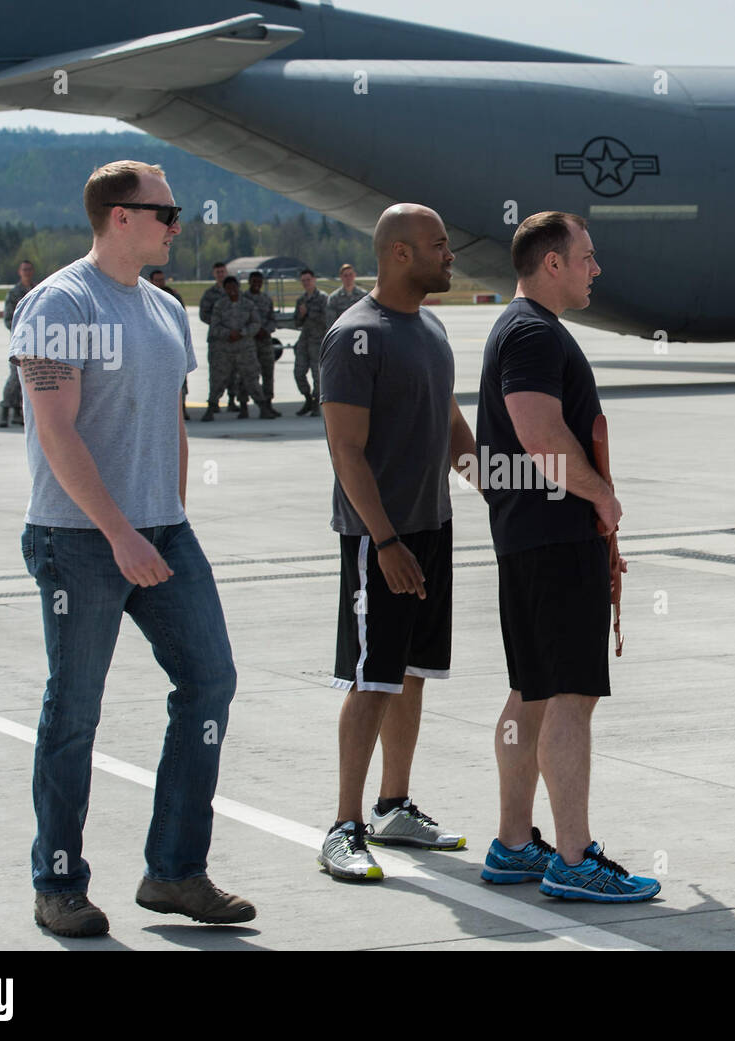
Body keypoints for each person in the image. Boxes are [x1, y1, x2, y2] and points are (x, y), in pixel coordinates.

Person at [10, 159, 254, 937]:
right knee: (76, 708)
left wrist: (166, 517)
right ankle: (58, 882)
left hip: (162, 533)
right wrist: (118, 531)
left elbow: (173, 423)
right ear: (120, 215)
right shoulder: (59, 304)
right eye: (165, 211)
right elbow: (55, 431)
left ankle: (175, 872)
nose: (177, 226)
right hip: (78, 539)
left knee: (209, 682)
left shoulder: (162, 308)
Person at [476, 211, 660, 903]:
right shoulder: (532, 332)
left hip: (529, 539)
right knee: (571, 700)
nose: (596, 267)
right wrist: (601, 495)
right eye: (586, 256)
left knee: (534, 691)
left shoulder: (519, 327)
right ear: (552, 263)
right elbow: (538, 431)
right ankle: (574, 857)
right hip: (555, 541)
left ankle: (515, 843)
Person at [316, 203, 476, 881]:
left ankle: (393, 806)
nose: (450, 257)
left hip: (430, 526)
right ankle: (343, 826)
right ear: (401, 253)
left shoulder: (432, 327)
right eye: (440, 246)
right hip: (376, 538)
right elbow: (345, 452)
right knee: (371, 676)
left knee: (411, 672)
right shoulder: (355, 336)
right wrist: (383, 541)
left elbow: (452, 429)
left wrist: (512, 492)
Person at [204, 276, 279, 420]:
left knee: (251, 378)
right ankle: (211, 407)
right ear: (225, 289)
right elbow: (214, 326)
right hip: (224, 349)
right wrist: (228, 333)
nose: (232, 290)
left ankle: (263, 407)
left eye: (234, 287)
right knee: (218, 379)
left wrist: (242, 333)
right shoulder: (219, 305)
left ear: (238, 287)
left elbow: (255, 323)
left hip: (245, 348)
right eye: (228, 288)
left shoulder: (248, 305)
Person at [150, 269, 190, 420]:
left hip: (174, 343)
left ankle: (182, 409)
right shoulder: (146, 297)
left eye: (162, 279)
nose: (161, 283)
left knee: (180, 381)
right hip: (154, 347)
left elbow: (182, 319)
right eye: (157, 280)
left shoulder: (173, 297)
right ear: (151, 281)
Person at [0, 260, 35, 427]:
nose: (27, 272)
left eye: (29, 269)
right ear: (19, 272)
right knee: (15, 377)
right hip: (20, 340)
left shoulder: (37, 290)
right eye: (24, 269)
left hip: (35, 341)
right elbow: (8, 319)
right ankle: (5, 409)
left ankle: (19, 413)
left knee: (29, 379)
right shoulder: (14, 293)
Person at [198, 262, 239, 411]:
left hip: (236, 338)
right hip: (218, 339)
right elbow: (203, 314)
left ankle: (233, 400)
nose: (220, 274)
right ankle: (214, 401)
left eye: (222, 271)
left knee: (235, 372)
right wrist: (218, 323)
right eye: (218, 272)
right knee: (216, 372)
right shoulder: (210, 294)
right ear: (214, 274)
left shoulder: (235, 290)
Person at [238, 271, 279, 411]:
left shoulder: (266, 299)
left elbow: (273, 319)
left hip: (265, 341)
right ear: (249, 282)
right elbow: (238, 321)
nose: (257, 284)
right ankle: (243, 404)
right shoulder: (242, 299)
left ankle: (268, 403)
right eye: (254, 281)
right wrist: (251, 331)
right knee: (246, 374)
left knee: (268, 373)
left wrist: (266, 330)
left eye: (259, 282)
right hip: (249, 342)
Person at [292, 268, 329, 416]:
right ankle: (307, 397)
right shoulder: (301, 300)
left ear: (314, 280)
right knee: (298, 372)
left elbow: (326, 319)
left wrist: (309, 313)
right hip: (304, 341)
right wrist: (301, 315)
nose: (306, 283)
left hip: (318, 341)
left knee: (317, 375)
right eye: (303, 281)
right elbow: (296, 322)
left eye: (308, 280)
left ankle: (315, 402)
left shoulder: (323, 298)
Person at [326, 262, 368, 328]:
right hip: (341, 333)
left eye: (350, 274)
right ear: (341, 277)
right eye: (345, 275)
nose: (348, 278)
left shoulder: (363, 296)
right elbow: (331, 322)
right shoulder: (334, 298)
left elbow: (367, 318)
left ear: (354, 275)